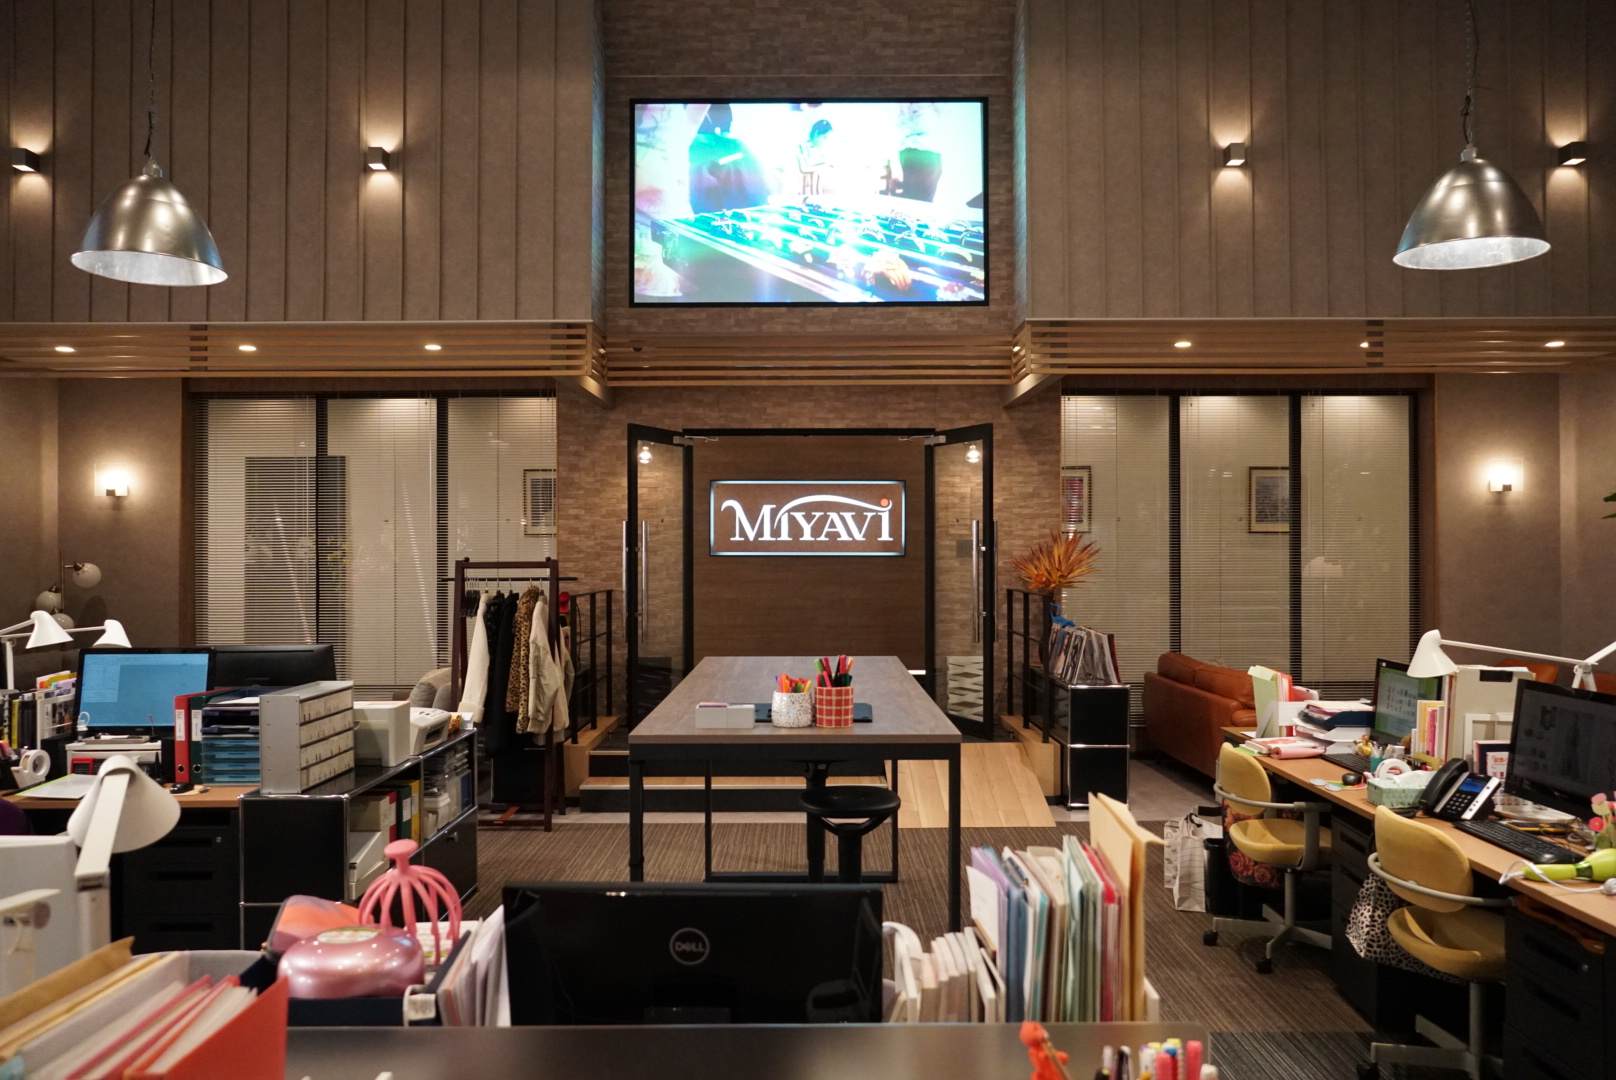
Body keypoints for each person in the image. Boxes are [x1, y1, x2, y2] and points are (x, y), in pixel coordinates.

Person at [797, 118, 833, 196]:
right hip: (803, 194)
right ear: (816, 134)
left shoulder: (820, 151)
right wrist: (825, 165)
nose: (825, 141)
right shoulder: (802, 147)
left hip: (817, 194)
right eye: (824, 137)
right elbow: (803, 168)